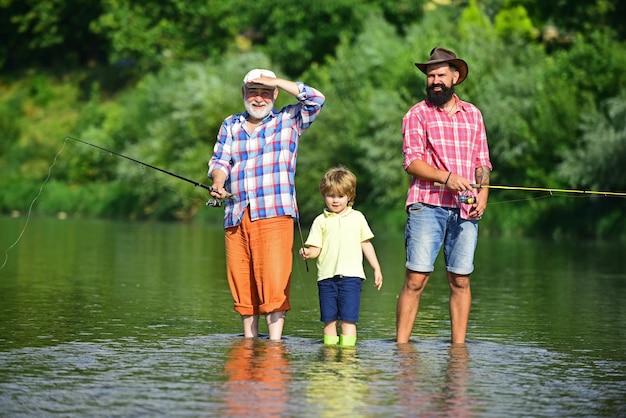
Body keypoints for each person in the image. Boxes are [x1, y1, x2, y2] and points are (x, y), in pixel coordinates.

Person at [208, 68, 325, 341]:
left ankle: (274, 345)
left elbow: (317, 99)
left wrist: (277, 82)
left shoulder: (289, 119)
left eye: (264, 92)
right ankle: (249, 342)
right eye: (253, 92)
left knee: (274, 282)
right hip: (236, 214)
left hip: (273, 212)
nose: (258, 99)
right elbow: (220, 162)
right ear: (243, 94)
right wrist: (218, 182)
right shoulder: (231, 124)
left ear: (274, 94)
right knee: (242, 283)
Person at [396, 47, 492, 344]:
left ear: (455, 76)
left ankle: (459, 348)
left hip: (465, 210)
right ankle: (401, 347)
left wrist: (483, 194)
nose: (434, 80)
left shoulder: (473, 114)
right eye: (430, 75)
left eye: (440, 74)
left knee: (461, 279)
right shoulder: (416, 115)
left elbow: (483, 162)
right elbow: (411, 163)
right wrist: (446, 178)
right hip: (427, 206)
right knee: (416, 279)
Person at [299, 166, 383, 346]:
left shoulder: (358, 217)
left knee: (348, 319)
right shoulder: (320, 221)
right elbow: (316, 249)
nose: (335, 200)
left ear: (349, 196)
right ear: (324, 195)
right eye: (330, 195)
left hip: (351, 277)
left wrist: (376, 268)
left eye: (340, 196)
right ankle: (329, 353)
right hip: (326, 278)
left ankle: (348, 355)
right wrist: (308, 252)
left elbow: (366, 244)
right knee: (329, 319)